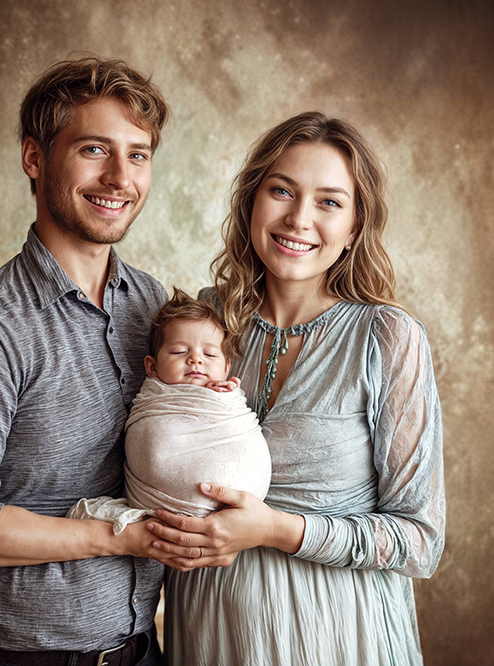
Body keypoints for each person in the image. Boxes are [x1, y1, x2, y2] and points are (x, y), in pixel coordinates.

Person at [148, 112, 446, 665]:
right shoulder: (203, 322)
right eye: (282, 191)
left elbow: (419, 540)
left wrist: (277, 529)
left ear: (354, 227)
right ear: (251, 203)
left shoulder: (387, 336)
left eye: (329, 202)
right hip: (211, 634)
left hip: (340, 637)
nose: (299, 219)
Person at [0, 57, 172, 666]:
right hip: (13, 657)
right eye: (94, 149)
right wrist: (119, 538)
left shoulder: (154, 306)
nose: (119, 178)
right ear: (34, 158)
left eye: (137, 155)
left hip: (140, 650)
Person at [67, 287, 271, 532]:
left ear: (227, 368)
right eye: (180, 351)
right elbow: (149, 444)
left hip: (241, 521)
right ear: (152, 367)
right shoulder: (153, 400)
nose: (196, 359)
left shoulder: (226, 396)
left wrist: (228, 396)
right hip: (158, 516)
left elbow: (237, 427)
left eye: (209, 354)